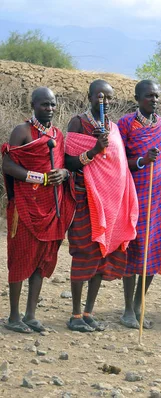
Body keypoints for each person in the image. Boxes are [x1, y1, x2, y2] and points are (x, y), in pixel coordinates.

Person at [65, 79, 139, 332]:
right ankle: (75, 314)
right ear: (90, 97)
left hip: (111, 204)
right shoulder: (78, 123)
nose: (104, 102)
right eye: (100, 96)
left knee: (102, 255)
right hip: (85, 200)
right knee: (84, 254)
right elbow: (70, 162)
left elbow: (118, 165)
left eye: (108, 98)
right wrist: (96, 148)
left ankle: (88, 311)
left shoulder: (114, 127)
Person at [1, 87, 76, 333]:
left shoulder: (57, 134)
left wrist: (63, 174)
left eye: (53, 104)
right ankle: (14, 316)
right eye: (45, 104)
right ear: (33, 104)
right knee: (21, 258)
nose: (50, 109)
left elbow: (64, 166)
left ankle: (31, 315)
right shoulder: (21, 131)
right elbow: (8, 164)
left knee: (41, 261)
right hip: (25, 206)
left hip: (52, 206)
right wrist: (41, 178)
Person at [117, 80, 161, 329]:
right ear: (137, 98)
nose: (154, 100)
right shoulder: (125, 124)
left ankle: (138, 305)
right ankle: (127, 310)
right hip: (134, 194)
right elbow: (119, 160)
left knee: (154, 250)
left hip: (159, 195)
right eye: (149, 96)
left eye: (157, 96)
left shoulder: (160, 124)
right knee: (133, 250)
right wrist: (142, 161)